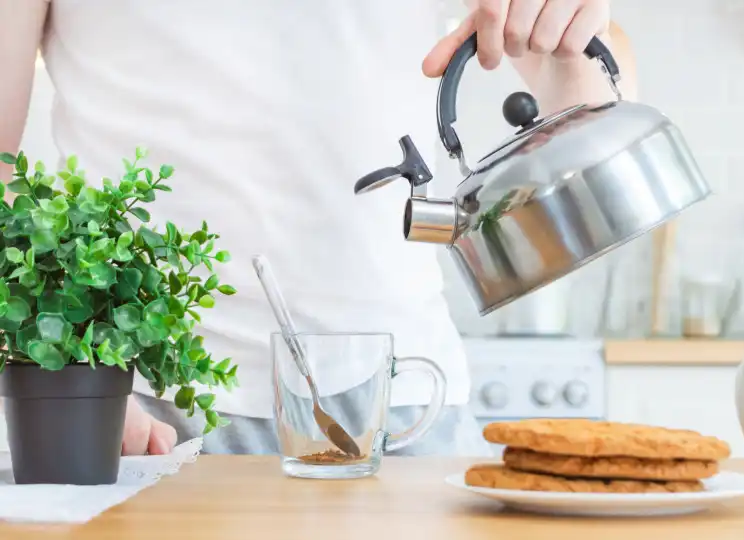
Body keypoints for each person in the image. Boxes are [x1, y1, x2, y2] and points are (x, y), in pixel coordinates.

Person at [0, 0, 637, 456]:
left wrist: (570, 39)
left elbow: (601, 89)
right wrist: (62, 380)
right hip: (138, 412)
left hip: (403, 405)